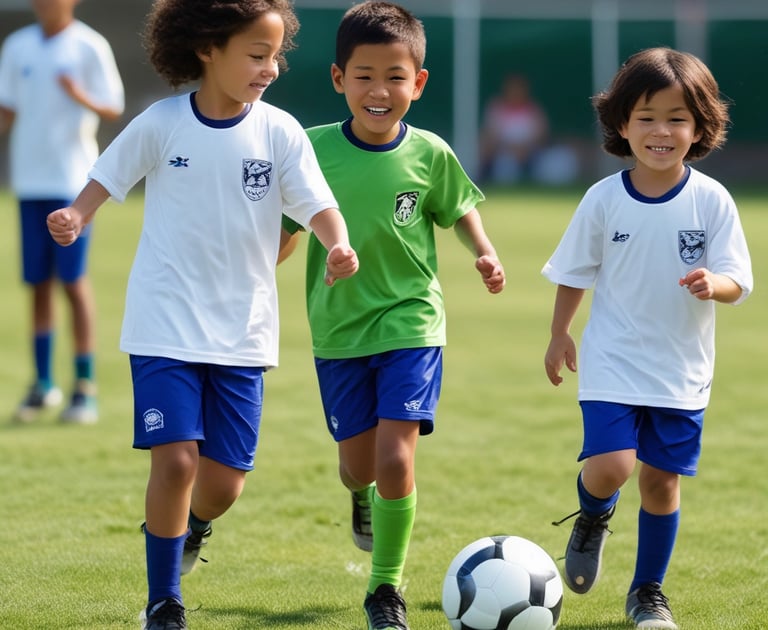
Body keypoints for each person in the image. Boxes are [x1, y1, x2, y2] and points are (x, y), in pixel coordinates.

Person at [47, 1, 358, 628]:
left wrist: (338, 241)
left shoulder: (280, 132)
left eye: (275, 56)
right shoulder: (162, 124)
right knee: (177, 461)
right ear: (207, 50)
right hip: (163, 324)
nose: (269, 69)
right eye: (255, 55)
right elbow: (108, 175)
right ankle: (164, 601)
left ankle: (190, 527)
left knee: (222, 486)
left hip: (243, 334)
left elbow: (317, 202)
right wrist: (77, 215)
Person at [284, 3, 505, 628]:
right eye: (364, 76)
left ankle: (385, 590)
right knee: (359, 465)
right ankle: (359, 495)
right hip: (338, 330)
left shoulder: (430, 152)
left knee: (396, 458)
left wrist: (483, 252)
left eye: (395, 77)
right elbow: (280, 232)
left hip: (412, 321)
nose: (380, 91)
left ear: (419, 82)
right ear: (338, 78)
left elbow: (458, 208)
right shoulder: (311, 151)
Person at [542, 47, 753, 630]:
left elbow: (740, 279)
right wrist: (560, 334)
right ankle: (592, 517)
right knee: (612, 464)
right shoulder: (603, 199)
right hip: (613, 358)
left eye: (677, 117)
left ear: (700, 126)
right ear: (621, 124)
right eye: (647, 117)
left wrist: (718, 283)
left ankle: (647, 594)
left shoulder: (711, 199)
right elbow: (573, 272)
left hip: (682, 368)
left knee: (660, 482)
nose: (661, 131)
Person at [0, 0, 125, 424]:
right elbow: (7, 109)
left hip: (73, 185)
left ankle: (84, 387)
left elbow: (113, 107)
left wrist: (79, 95)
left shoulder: (89, 46)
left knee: (72, 281)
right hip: (29, 183)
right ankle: (42, 385)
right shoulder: (17, 46)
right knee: (37, 283)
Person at [478, 73, 549, 184]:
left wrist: (525, 149)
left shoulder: (534, 109)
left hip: (531, 154)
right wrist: (511, 149)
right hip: (503, 154)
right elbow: (490, 136)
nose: (516, 92)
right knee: (506, 165)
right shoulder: (496, 108)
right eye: (512, 89)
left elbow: (541, 135)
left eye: (519, 89)